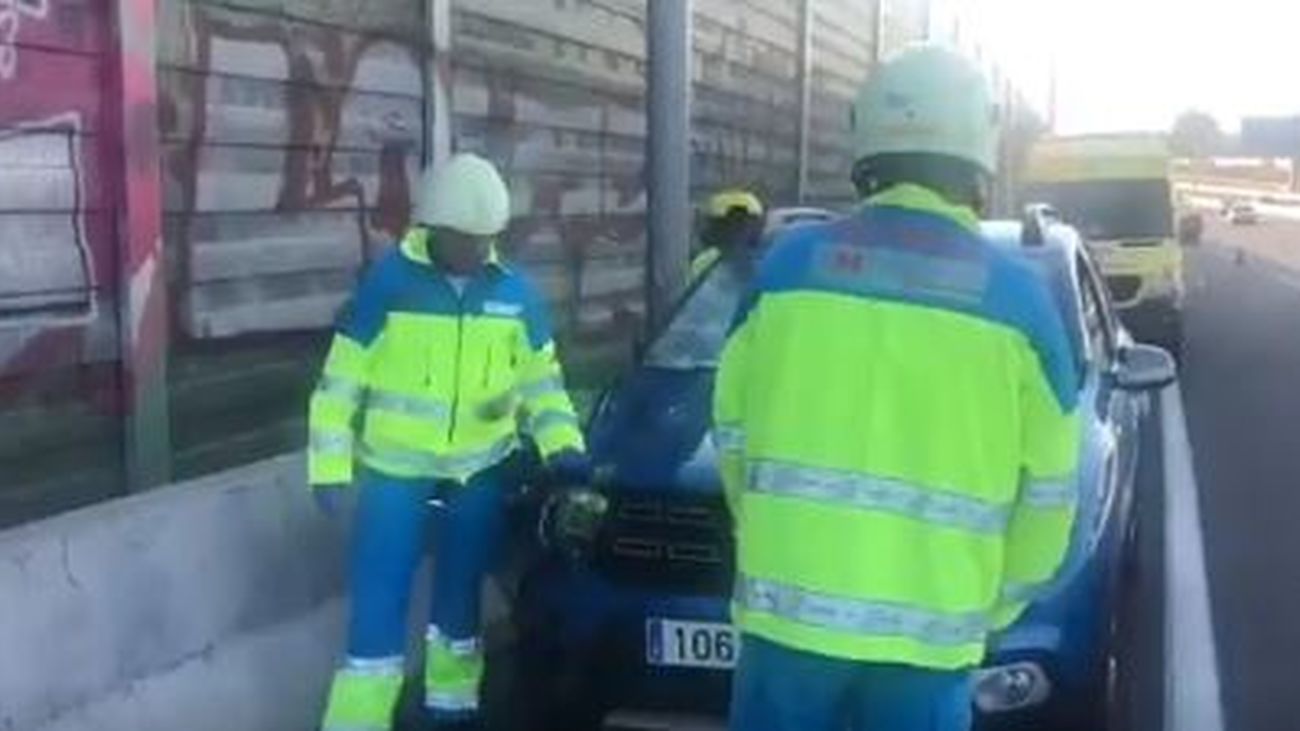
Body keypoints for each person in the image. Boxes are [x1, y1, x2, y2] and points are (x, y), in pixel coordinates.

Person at [714, 47, 1082, 731]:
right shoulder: (1021, 305)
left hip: (787, 627)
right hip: (931, 642)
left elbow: (732, 439)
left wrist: (779, 543)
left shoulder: (784, 271)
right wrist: (991, 605)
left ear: (866, 146)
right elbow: (1052, 495)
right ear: (979, 156)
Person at [308, 153, 589, 731]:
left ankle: (451, 711)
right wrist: (331, 470)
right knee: (377, 611)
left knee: (459, 607)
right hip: (394, 478)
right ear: (434, 228)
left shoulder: (516, 295)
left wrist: (564, 444)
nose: (477, 250)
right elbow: (338, 388)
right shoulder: (389, 286)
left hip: (479, 475)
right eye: (466, 239)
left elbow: (543, 385)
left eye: (487, 239)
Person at [690, 188, 766, 281]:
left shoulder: (703, 261)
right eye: (733, 223)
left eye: (743, 223)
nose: (738, 231)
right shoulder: (767, 259)